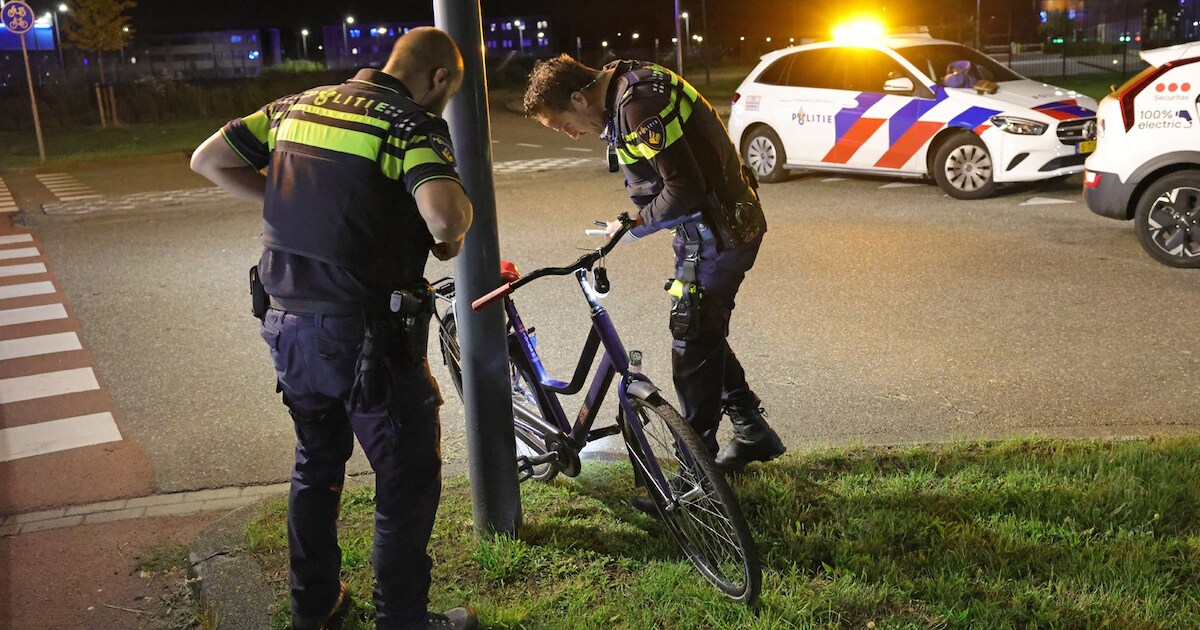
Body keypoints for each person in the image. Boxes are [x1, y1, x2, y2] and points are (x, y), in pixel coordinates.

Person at [191, 27, 477, 630]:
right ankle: (402, 620)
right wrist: (451, 235)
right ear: (438, 79)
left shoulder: (298, 106)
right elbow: (446, 214)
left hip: (285, 326)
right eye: (449, 92)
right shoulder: (406, 124)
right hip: (367, 339)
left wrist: (289, 207)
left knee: (315, 466)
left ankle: (313, 608)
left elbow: (208, 159)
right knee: (403, 479)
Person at [522, 55, 786, 481]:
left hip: (717, 234)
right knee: (705, 331)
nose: (571, 135)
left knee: (692, 344)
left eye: (564, 124)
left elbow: (685, 188)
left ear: (578, 96)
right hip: (719, 227)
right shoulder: (629, 82)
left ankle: (697, 477)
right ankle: (750, 428)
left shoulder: (636, 106)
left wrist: (633, 227)